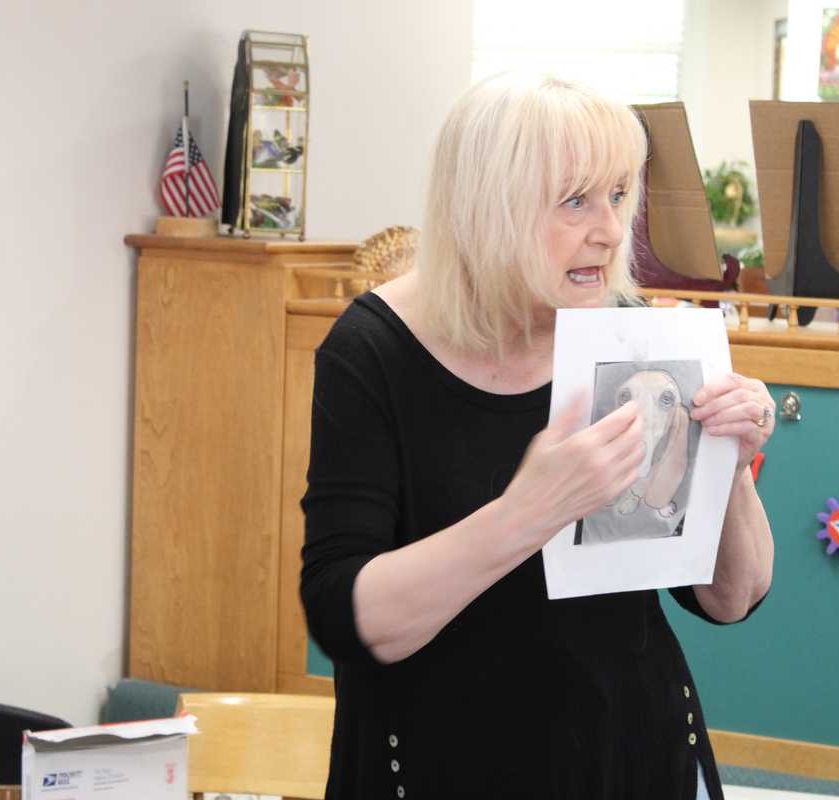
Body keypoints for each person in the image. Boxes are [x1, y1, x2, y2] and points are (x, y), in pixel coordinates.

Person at [300, 73, 776, 800]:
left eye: (618, 195)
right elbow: (348, 617)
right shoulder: (373, 352)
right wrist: (531, 509)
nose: (611, 231)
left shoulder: (624, 325)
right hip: (439, 765)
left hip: (629, 757)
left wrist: (728, 463)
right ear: (488, 210)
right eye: (575, 200)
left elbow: (731, 597)